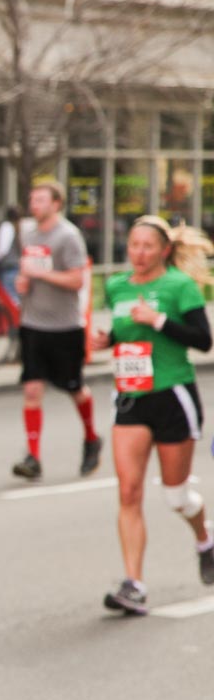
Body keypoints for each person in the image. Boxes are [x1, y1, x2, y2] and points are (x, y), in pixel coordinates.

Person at [89, 216, 214, 615]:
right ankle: (134, 584)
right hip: (132, 397)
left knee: (176, 495)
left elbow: (203, 340)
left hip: (173, 395)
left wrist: (158, 320)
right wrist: (105, 339)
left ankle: (204, 540)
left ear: (163, 250)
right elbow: (123, 333)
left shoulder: (179, 286)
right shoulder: (117, 286)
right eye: (133, 245)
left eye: (147, 246)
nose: (139, 253)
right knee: (129, 492)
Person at [12, 180, 102, 480]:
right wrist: (23, 284)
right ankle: (33, 456)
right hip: (33, 323)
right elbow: (25, 275)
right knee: (32, 388)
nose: (34, 205)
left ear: (56, 204)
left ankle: (91, 438)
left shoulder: (68, 237)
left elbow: (77, 280)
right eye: (32, 199)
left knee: (74, 388)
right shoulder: (29, 234)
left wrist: (41, 274)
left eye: (40, 200)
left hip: (64, 326)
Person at [0, 205, 22, 306]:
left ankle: (13, 321)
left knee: (9, 299)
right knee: (17, 298)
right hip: (18, 267)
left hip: (8, 268)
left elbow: (2, 250)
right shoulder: (20, 227)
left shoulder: (7, 226)